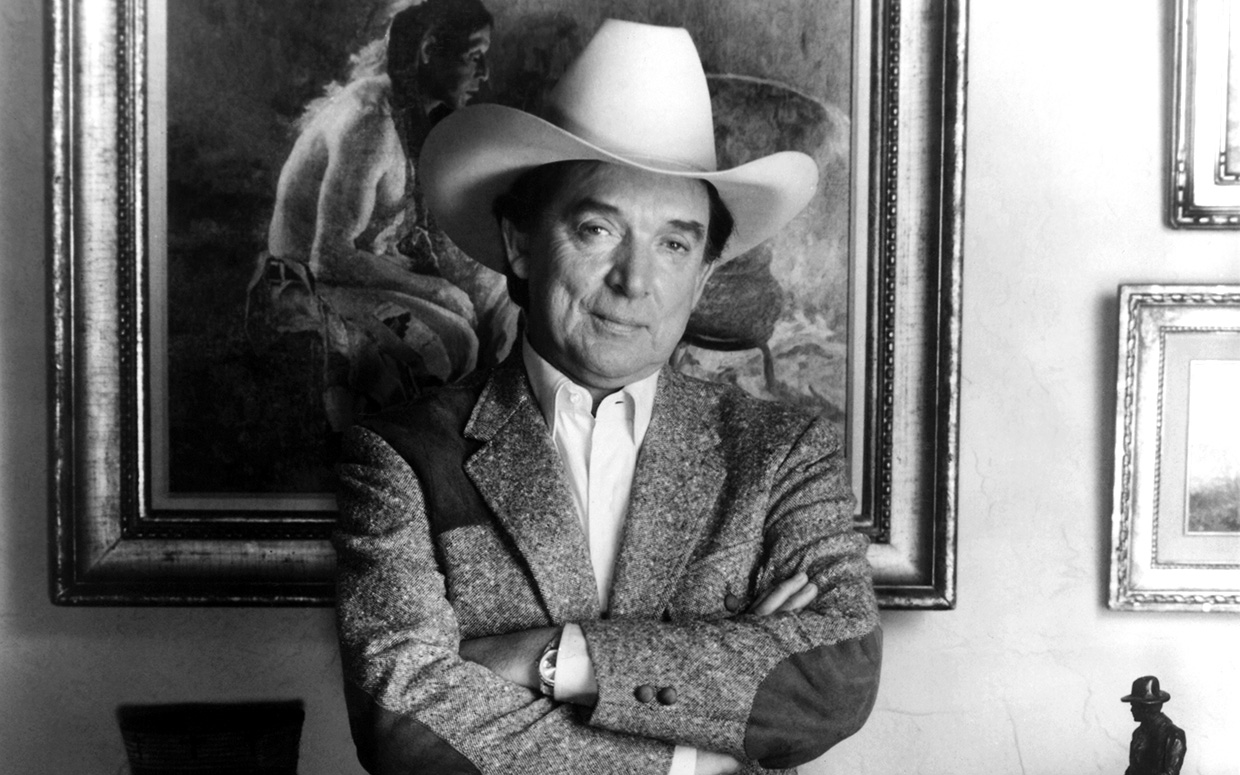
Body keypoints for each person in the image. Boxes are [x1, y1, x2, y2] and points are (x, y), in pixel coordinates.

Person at [333, 19, 881, 775]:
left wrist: (546, 659)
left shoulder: (784, 453)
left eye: (674, 244)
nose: (635, 280)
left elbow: (834, 678)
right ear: (521, 243)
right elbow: (402, 721)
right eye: (597, 229)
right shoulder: (400, 453)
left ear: (704, 275)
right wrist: (690, 755)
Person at [253, 0, 518, 433]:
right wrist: (435, 289)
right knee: (456, 340)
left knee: (501, 292)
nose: (484, 73)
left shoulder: (414, 113)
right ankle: (424, 453)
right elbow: (329, 257)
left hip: (366, 268)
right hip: (309, 282)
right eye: (474, 56)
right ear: (429, 50)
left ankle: (490, 431)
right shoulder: (370, 122)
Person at [1122, 676, 1186, 775]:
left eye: (1134, 705)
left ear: (1146, 708)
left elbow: (1170, 773)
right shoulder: (1138, 733)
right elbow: (1132, 769)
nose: (1131, 710)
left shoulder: (1173, 735)